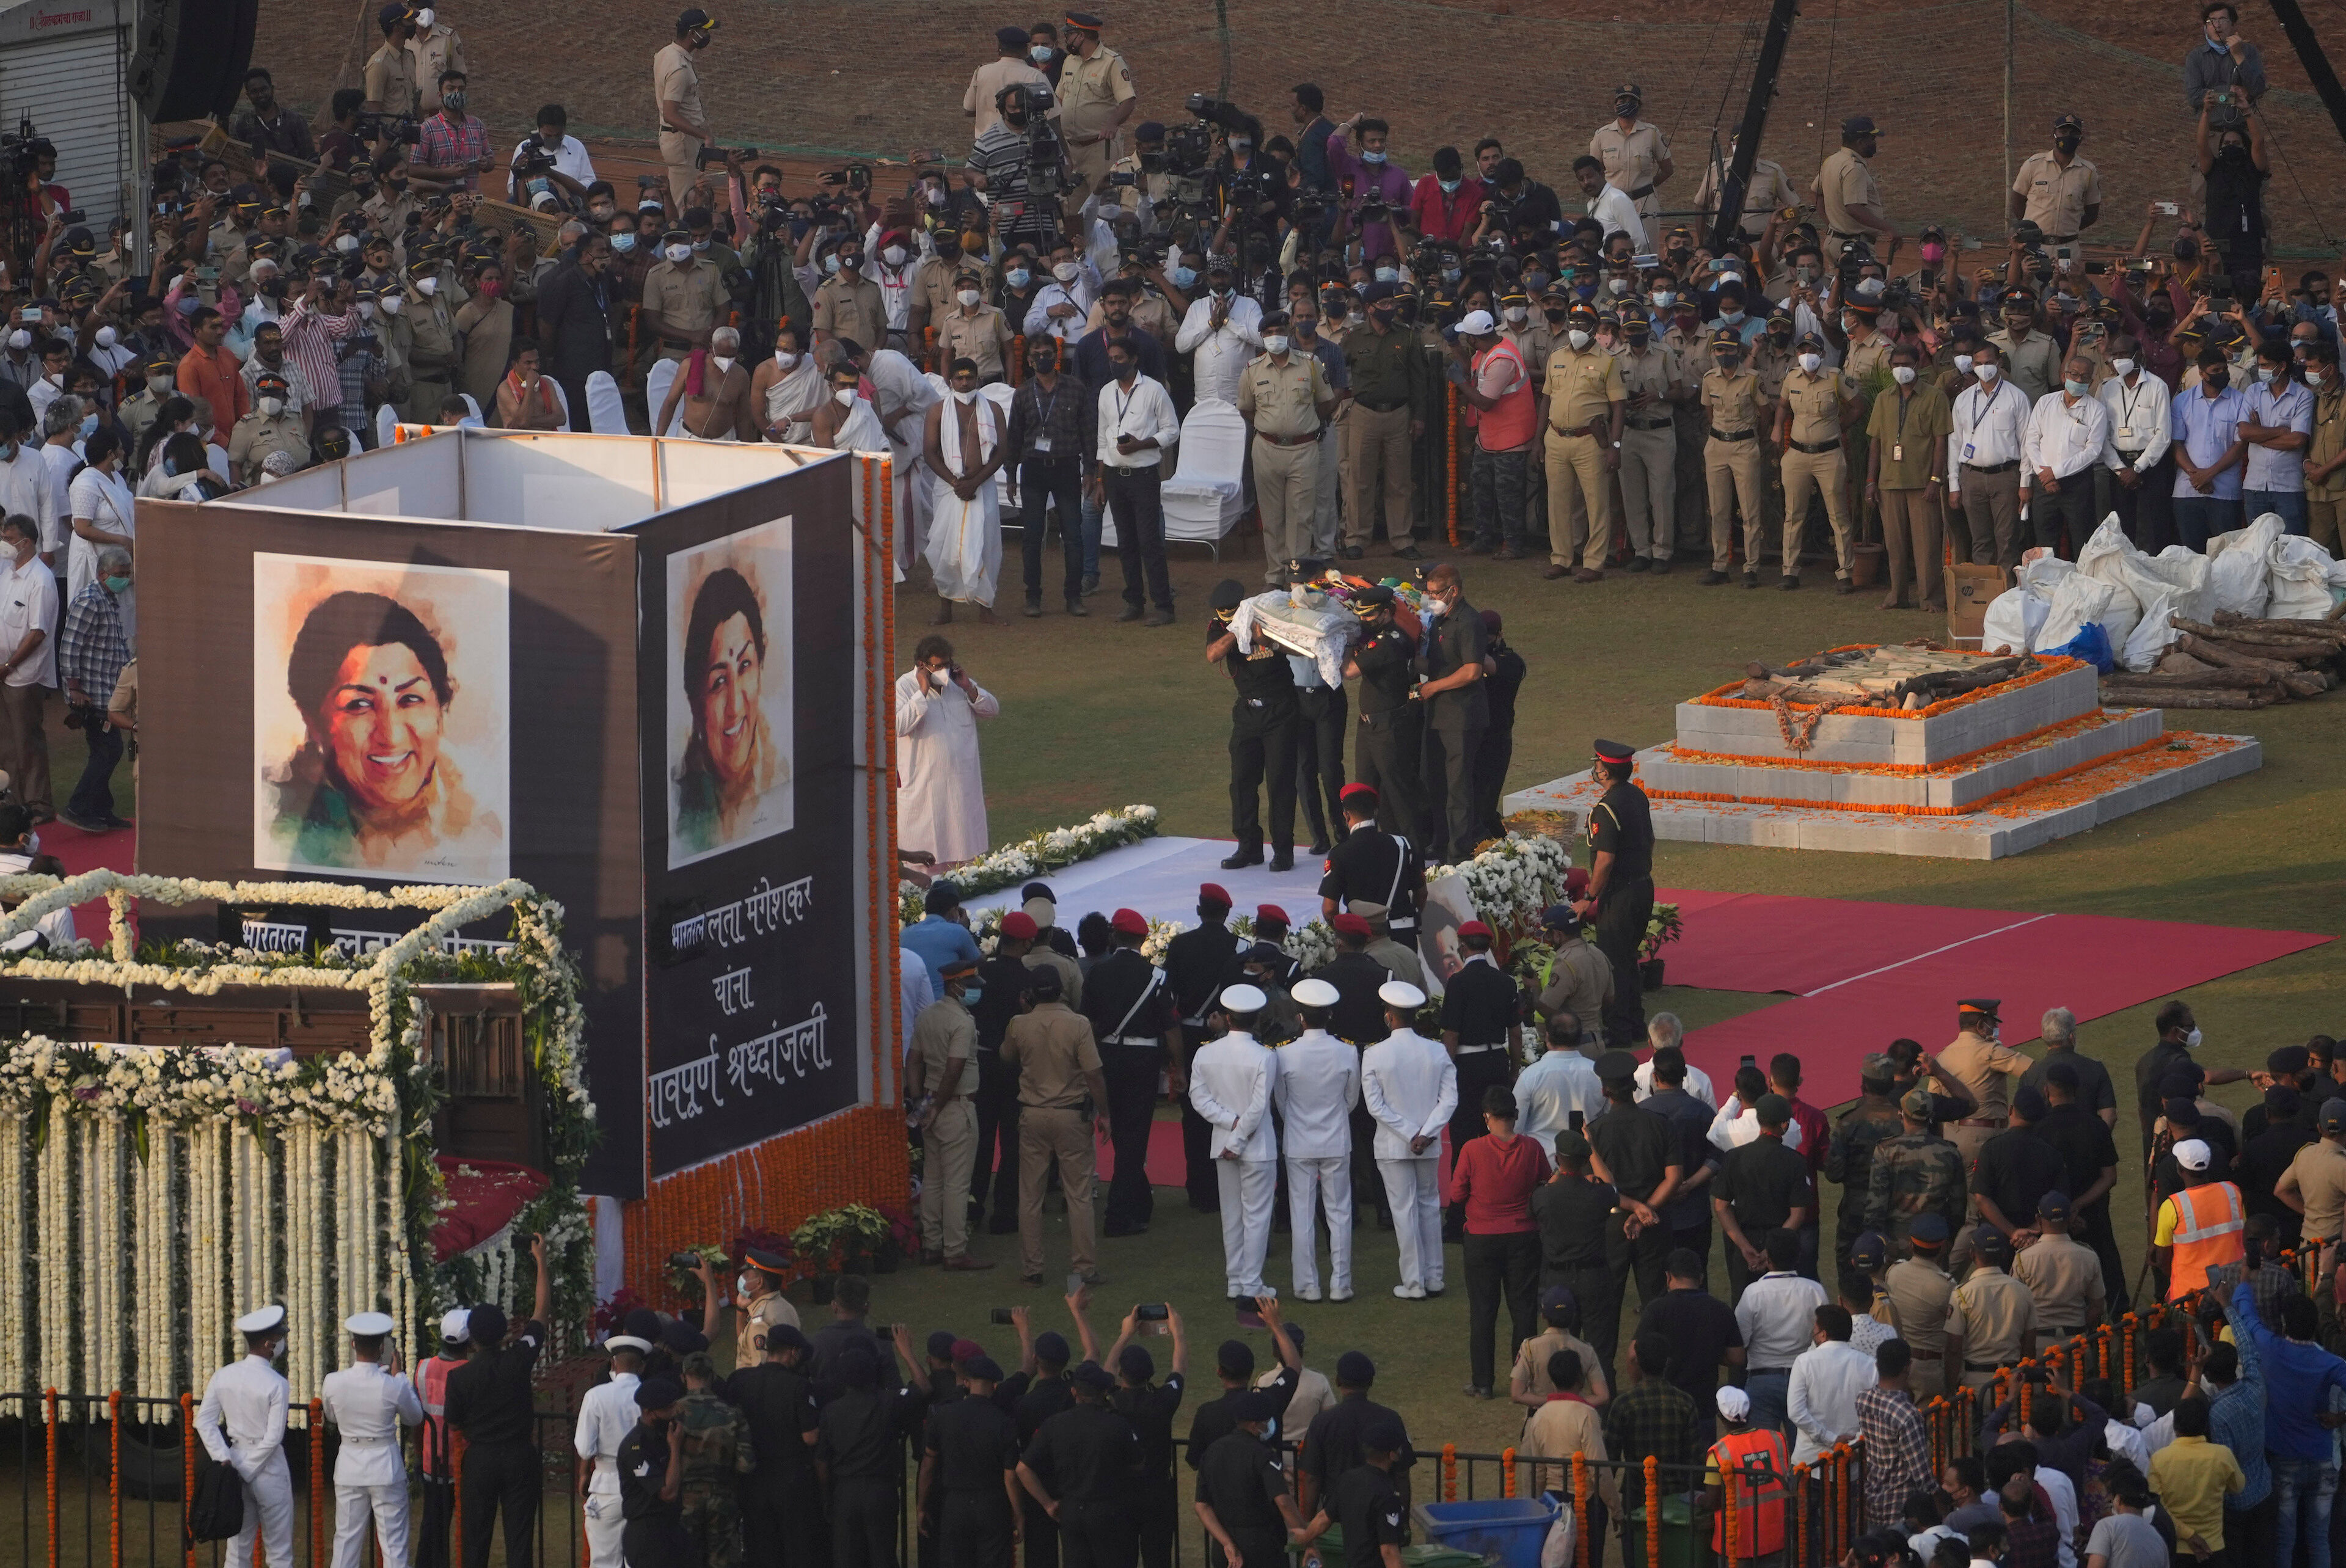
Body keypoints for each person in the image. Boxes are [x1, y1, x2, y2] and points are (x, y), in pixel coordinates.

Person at [445, 1239, 551, 1568]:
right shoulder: (519, 1358)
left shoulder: (459, 1377)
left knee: (475, 1539)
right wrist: (541, 1261)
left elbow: (454, 1423)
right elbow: (541, 1313)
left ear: (471, 1336)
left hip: (480, 1460)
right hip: (520, 1456)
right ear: (505, 1332)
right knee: (520, 1538)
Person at [1004, 966, 1108, 1287]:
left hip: (1033, 1113)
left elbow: (1006, 1056)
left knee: (1030, 1195)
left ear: (1030, 995)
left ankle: (1032, 1268)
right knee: (1078, 1195)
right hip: (1071, 1114)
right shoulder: (1078, 1024)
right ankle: (1084, 1268)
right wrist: (1105, 1113)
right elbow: (1093, 1073)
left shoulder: (1019, 1023)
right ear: (1062, 991)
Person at [1361, 980, 1457, 1300]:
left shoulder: (1374, 1054)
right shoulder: (1436, 1050)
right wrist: (1425, 1133)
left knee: (1404, 1210)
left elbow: (1375, 1107)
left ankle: (1414, 1282)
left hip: (1393, 1143)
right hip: (1427, 1143)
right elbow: (1449, 1100)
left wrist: (1410, 1133)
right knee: (1429, 1206)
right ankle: (1434, 1278)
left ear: (1389, 1016)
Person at [1453, 1085, 1549, 1399]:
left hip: (1482, 1238)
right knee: (1524, 1310)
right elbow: (1545, 1183)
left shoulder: (1472, 1149)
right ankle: (1524, 1379)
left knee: (1483, 1311)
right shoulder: (1532, 1148)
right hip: (1523, 1236)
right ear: (1516, 1115)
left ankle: (1483, 1382)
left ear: (1487, 1117)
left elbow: (1456, 1194)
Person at [1190, 982, 1281, 1299]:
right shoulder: (1265, 1056)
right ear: (1255, 1019)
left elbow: (1200, 1100)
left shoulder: (1206, 1053)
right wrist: (1239, 1135)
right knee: (1256, 1216)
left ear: (1228, 1018)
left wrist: (1231, 1129)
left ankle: (1235, 1281)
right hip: (1256, 1145)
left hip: (1224, 1142)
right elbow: (1259, 1106)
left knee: (1232, 1215)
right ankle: (1251, 1283)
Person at [1205, 580, 1299, 871]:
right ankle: (1248, 847)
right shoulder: (1220, 627)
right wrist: (1236, 629)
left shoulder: (1267, 616)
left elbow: (1298, 648)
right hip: (1247, 711)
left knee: (1280, 782)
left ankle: (1283, 850)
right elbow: (1213, 655)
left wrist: (1267, 640)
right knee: (1242, 782)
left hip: (1280, 709)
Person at [820, 1333, 934, 1568]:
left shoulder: (831, 1411)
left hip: (845, 1492)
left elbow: (821, 1462)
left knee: (847, 1560)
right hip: (880, 1491)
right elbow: (924, 1387)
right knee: (883, 1558)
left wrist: (827, 1496)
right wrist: (906, 1352)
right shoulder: (889, 1402)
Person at [1240, 312, 1337, 584]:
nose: (1275, 337)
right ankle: (1274, 575)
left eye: (1280, 331)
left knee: (1301, 517)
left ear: (1289, 332)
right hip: (1267, 449)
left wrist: (1302, 425)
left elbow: (1327, 402)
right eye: (1269, 333)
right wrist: (1272, 427)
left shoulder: (1310, 364)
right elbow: (1246, 409)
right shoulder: (1251, 370)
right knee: (1272, 518)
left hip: (1303, 449)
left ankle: (1297, 575)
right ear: (1262, 337)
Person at [1279, 977, 1359, 1303]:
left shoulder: (1284, 1053)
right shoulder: (1347, 1051)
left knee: (1301, 1213)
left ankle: (1307, 1285)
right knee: (1339, 1213)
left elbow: (1282, 1102)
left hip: (1299, 1140)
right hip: (1336, 1139)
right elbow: (1351, 1100)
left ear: (1300, 1017)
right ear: (1329, 1015)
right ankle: (1340, 1284)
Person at [1018, 1361, 1143, 1568]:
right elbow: (1138, 1463)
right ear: (1104, 1393)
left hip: (1071, 1511)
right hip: (1107, 1511)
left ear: (1074, 1391)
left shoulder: (1055, 1424)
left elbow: (1023, 1468)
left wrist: (1048, 1504)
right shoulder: (1117, 1424)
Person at [197, 1305, 294, 1568]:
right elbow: (273, 1438)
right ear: (269, 1343)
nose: (280, 1343)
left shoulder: (224, 1375)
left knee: (238, 1550)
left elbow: (204, 1421)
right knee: (279, 1551)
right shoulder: (277, 1383)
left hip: (235, 1461)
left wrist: (224, 1459)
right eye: (278, 1338)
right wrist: (248, 1470)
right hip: (269, 1468)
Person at [321, 1312, 421, 1568]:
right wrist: (400, 1377)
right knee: (394, 1545)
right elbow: (414, 1416)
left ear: (353, 1345)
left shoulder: (333, 1381)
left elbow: (331, 1417)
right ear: (382, 1348)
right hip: (385, 1467)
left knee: (346, 1542)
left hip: (350, 1466)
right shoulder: (393, 1385)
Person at [911, 956, 991, 1271]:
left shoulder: (928, 1015)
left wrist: (922, 1104)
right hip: (955, 1107)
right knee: (957, 1183)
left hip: (933, 1102)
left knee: (932, 1179)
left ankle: (931, 1245)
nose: (974, 991)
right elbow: (955, 1068)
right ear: (956, 985)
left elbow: (913, 1060)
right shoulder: (962, 1022)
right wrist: (937, 1106)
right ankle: (954, 1251)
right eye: (969, 985)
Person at [1006, 335, 1093, 618]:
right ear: (1029, 361)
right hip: (1033, 469)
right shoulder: (1022, 393)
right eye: (1037, 355)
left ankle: (1074, 596)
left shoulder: (1076, 388)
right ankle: (1033, 597)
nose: (1042, 358)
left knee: (1073, 535)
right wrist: (1010, 475)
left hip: (1067, 467)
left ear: (1057, 356)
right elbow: (1014, 437)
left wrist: (1090, 470)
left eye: (1047, 353)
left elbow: (1088, 433)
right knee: (1032, 537)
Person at [1094, 335, 1178, 624]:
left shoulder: (1154, 390)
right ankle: (1134, 602)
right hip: (1115, 476)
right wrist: (1100, 481)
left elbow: (1172, 430)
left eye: (1119, 358)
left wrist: (1141, 444)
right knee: (1125, 542)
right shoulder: (1106, 392)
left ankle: (1164, 606)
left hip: (1143, 476)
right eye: (1111, 359)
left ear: (1133, 359)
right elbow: (1102, 438)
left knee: (1149, 541)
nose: (1114, 364)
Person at [1575, 741, 1654, 1046]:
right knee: (1628, 958)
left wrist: (1589, 898)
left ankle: (1620, 1030)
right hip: (1643, 886)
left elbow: (1605, 859)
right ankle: (1635, 1023)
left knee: (1614, 964)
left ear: (1605, 772)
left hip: (1620, 894)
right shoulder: (1637, 796)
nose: (1595, 770)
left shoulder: (1605, 809)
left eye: (1597, 765)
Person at [1541, 302, 1626, 582]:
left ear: (1594, 327)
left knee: (1596, 504)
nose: (1576, 328)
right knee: (1558, 503)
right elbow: (1546, 399)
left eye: (1583, 323)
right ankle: (1561, 559)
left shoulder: (1608, 361)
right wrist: (1538, 440)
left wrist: (1615, 446)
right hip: (1556, 437)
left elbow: (1619, 407)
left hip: (1590, 440)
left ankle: (1594, 564)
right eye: (1573, 322)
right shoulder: (1556, 357)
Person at [1863, 341, 1951, 609]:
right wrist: (1871, 481)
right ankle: (1897, 596)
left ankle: (1930, 598)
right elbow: (1876, 442)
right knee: (1895, 545)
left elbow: (1941, 441)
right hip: (1889, 482)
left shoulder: (1935, 397)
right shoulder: (1883, 398)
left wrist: (1936, 479)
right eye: (1896, 365)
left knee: (1927, 546)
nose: (1901, 369)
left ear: (1918, 365)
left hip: (1923, 483)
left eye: (1906, 364)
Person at [896, 637, 998, 865]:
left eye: (947, 664)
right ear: (922, 665)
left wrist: (969, 687)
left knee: (968, 862)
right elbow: (898, 727)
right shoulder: (903, 687)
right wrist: (922, 692)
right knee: (925, 863)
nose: (944, 670)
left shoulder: (958, 684)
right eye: (938, 666)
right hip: (923, 791)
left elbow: (992, 710)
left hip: (962, 789)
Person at [924, 358, 1009, 622]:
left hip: (982, 486)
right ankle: (945, 609)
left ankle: (986, 608)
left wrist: (974, 482)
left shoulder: (993, 409)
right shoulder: (937, 410)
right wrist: (955, 482)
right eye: (959, 378)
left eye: (969, 378)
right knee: (946, 550)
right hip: (949, 488)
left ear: (978, 379)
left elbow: (1001, 452)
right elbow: (929, 453)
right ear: (950, 381)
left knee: (986, 545)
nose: (964, 383)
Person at [56, 545, 131, 834]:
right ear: (103, 574)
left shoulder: (107, 599)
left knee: (107, 750)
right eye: (120, 574)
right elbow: (70, 645)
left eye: (127, 574)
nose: (125, 579)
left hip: (105, 691)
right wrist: (74, 689)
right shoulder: (90, 601)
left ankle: (100, 809)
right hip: (91, 695)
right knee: (107, 751)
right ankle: (78, 807)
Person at [1414, 563, 1485, 864]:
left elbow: (1472, 671)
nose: (1430, 598)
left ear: (1453, 591)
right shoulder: (1438, 620)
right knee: (1434, 781)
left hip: (1461, 716)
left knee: (1457, 786)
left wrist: (1434, 687)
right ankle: (1441, 841)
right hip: (1437, 714)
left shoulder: (1469, 621)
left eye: (1436, 593)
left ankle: (1459, 850)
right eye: (1428, 592)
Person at [1714, 1092, 1811, 1299]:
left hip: (1745, 1243)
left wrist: (1744, 1247)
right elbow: (1798, 1214)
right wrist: (1771, 1250)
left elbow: (1721, 1206)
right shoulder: (1795, 1161)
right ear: (1784, 1124)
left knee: (1744, 1306)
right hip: (1782, 1248)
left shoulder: (1735, 1157)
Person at [574, 1333, 649, 1568]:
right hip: (644, 1484)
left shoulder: (596, 1396)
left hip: (606, 1485)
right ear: (642, 1366)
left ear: (613, 1364)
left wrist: (584, 1474)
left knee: (604, 1560)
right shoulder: (649, 1396)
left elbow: (585, 1448)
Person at [2154, 1138, 2246, 1300]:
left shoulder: (2172, 1206)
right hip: (2235, 1287)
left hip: (2192, 1297)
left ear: (2180, 1170)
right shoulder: (2233, 1192)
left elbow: (2162, 1259)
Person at [1947, 1230, 2034, 1391]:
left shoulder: (1961, 1294)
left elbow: (1954, 1349)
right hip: (2013, 1379)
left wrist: (1951, 1389)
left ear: (1972, 1254)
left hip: (1976, 1383)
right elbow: (2029, 1343)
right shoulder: (2023, 1291)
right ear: (2003, 1255)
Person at [617, 1377, 690, 1568]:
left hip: (671, 1529)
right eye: (668, 1409)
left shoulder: (666, 1436)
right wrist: (675, 1448)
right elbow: (668, 1493)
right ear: (649, 1413)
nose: (674, 1413)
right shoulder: (635, 1448)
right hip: (647, 1535)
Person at [1787, 1304, 1874, 1465]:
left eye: (1815, 1329)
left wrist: (1830, 1439)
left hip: (1810, 1462)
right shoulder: (1869, 1365)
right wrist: (1855, 1445)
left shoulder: (1804, 1362)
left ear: (1823, 1334)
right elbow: (1876, 1411)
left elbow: (1796, 1412)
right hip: (1853, 1463)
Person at [654, 10, 718, 214]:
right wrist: (705, 135)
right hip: (683, 142)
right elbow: (670, 114)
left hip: (677, 139)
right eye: (704, 31)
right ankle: (679, 233)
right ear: (693, 33)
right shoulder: (679, 69)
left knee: (684, 194)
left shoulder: (665, 53)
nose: (707, 35)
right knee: (684, 199)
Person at [1813, 115, 1897, 260]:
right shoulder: (1853, 168)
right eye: (1872, 139)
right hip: (1855, 248)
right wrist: (1887, 228)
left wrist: (1831, 225)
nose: (1875, 143)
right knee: (1871, 275)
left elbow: (1816, 193)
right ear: (1860, 142)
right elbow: (1854, 208)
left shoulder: (1832, 160)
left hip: (1834, 243)